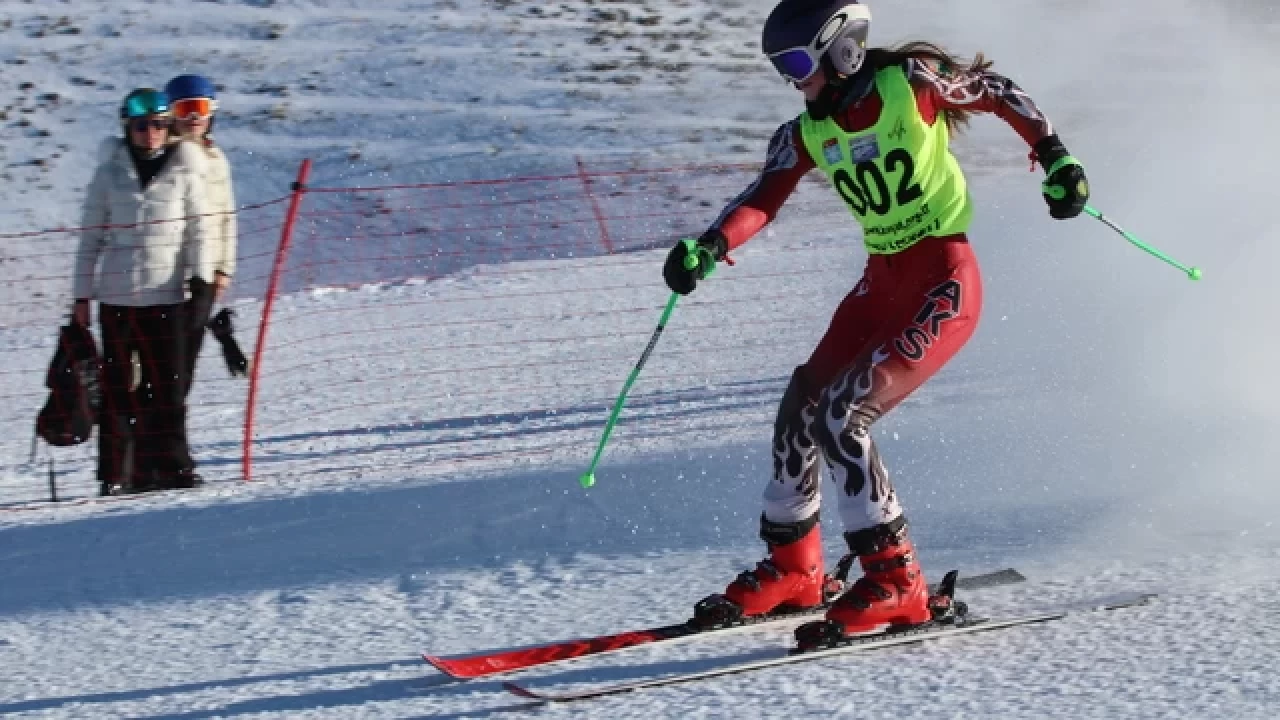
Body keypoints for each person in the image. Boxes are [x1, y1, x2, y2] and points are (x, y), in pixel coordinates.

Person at [663, 0, 1089, 643]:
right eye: (781, 67)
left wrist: (1055, 158)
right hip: (880, 283)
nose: (792, 80)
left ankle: (898, 581)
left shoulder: (910, 83)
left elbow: (997, 92)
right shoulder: (805, 133)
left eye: (799, 62)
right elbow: (762, 199)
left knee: (845, 412)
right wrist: (711, 246)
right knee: (804, 403)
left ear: (843, 51)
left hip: (943, 280)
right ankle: (795, 569)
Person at [72, 88, 217, 495]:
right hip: (117, 299)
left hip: (166, 298)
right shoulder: (109, 173)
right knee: (118, 389)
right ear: (127, 128)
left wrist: (201, 282)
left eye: (158, 125)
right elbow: (90, 238)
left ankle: (173, 467)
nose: (150, 133)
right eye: (140, 126)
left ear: (169, 128)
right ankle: (116, 473)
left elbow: (199, 231)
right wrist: (81, 297)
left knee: (169, 387)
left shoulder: (185, 171)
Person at [165, 73, 237, 397]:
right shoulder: (164, 154)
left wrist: (223, 269)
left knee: (184, 363)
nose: (194, 117)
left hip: (205, 272)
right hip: (169, 272)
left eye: (200, 108)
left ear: (212, 113)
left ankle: (171, 425)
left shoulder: (217, 159)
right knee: (162, 357)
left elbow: (226, 217)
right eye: (184, 110)